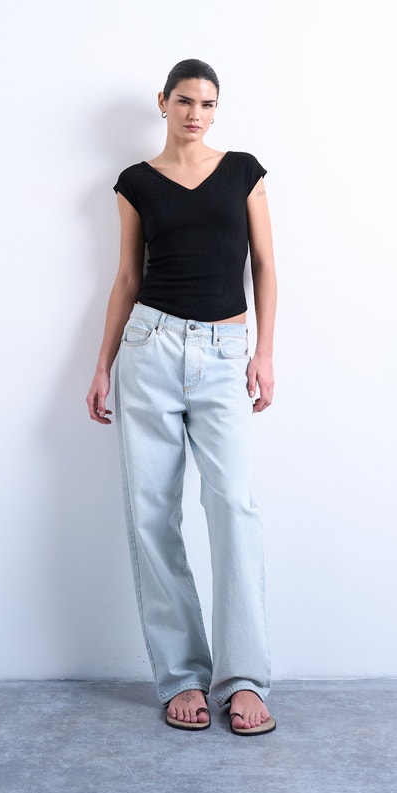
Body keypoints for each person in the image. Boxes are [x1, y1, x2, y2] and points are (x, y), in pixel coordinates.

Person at [86, 59, 277, 736]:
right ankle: (181, 677)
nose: (198, 113)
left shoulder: (243, 172)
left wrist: (264, 353)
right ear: (163, 102)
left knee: (234, 508)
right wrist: (103, 364)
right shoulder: (135, 183)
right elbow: (127, 277)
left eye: (209, 103)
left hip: (226, 353)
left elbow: (265, 266)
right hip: (151, 348)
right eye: (187, 101)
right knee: (152, 515)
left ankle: (245, 679)